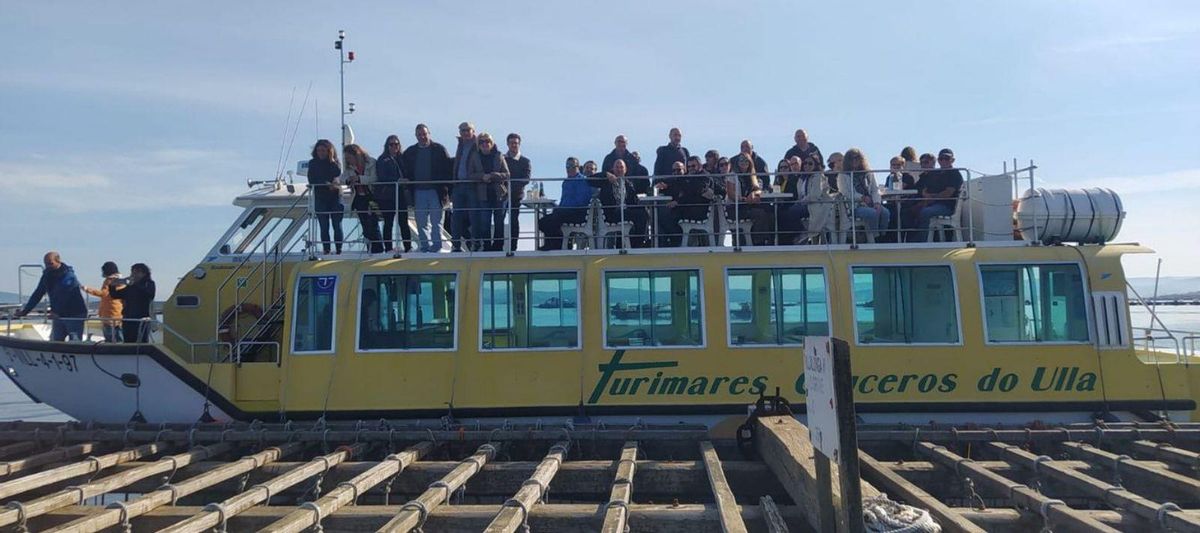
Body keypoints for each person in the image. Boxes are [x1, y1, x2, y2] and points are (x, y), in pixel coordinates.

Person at [13, 252, 88, 341]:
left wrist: (57, 312)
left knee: (75, 342)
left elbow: (64, 296)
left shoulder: (69, 276)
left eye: (50, 263)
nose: (48, 266)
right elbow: (38, 293)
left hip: (74, 314)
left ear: (58, 261)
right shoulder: (47, 275)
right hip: (59, 315)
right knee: (55, 340)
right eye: (46, 264)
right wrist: (25, 311)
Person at [402, 124, 452, 253]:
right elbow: (404, 168)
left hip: (436, 191)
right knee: (421, 222)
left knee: (437, 221)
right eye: (419, 134)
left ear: (429, 133)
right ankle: (424, 247)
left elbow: (448, 168)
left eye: (424, 134)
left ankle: (436, 247)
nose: (422, 137)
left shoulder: (439, 149)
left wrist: (447, 188)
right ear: (416, 136)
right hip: (418, 191)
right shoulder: (410, 152)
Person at [537, 157, 594, 250]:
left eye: (571, 166)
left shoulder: (582, 181)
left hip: (577, 213)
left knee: (552, 220)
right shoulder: (566, 182)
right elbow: (564, 200)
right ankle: (555, 244)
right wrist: (558, 207)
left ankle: (556, 245)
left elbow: (581, 201)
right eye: (567, 166)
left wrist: (563, 208)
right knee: (543, 222)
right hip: (565, 212)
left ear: (578, 167)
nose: (568, 168)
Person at [910, 148, 964, 242]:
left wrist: (931, 197)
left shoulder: (955, 174)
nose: (943, 161)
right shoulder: (936, 174)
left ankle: (922, 241)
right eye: (941, 159)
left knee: (925, 212)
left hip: (947, 206)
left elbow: (947, 194)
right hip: (933, 203)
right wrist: (925, 197)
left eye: (946, 158)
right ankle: (906, 238)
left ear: (952, 160)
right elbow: (926, 190)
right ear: (938, 160)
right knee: (910, 210)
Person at [592, 159, 649, 248]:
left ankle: (637, 242)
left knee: (643, 212)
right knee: (641, 214)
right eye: (617, 167)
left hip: (624, 212)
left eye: (621, 167)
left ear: (625, 170)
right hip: (611, 213)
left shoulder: (628, 184)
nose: (619, 169)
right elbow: (590, 180)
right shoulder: (606, 181)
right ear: (613, 169)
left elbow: (633, 201)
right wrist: (605, 174)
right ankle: (639, 244)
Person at [468, 132, 510, 251]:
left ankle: (498, 246)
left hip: (499, 194)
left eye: (487, 141)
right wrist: (482, 177)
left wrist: (494, 175)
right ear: (478, 144)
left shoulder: (499, 155)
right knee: (485, 222)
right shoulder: (475, 156)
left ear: (492, 143)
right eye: (482, 142)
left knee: (499, 222)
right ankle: (486, 246)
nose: (485, 144)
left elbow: (507, 174)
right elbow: (470, 175)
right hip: (483, 194)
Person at [838, 148, 890, 240]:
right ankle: (875, 237)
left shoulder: (868, 174)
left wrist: (877, 203)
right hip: (855, 206)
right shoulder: (843, 175)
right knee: (872, 213)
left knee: (885, 213)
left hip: (871, 202)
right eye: (851, 158)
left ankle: (883, 235)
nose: (854, 160)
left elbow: (875, 189)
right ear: (847, 161)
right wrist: (861, 198)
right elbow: (846, 192)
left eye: (857, 158)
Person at [343, 144, 384, 254]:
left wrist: (359, 179)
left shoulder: (372, 162)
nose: (348, 160)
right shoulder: (349, 168)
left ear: (356, 154)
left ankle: (379, 250)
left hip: (371, 197)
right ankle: (369, 249)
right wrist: (348, 180)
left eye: (349, 157)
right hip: (359, 198)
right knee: (365, 225)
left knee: (373, 223)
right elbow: (343, 178)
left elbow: (374, 178)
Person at [375, 135, 412, 253]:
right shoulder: (382, 159)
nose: (394, 147)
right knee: (388, 222)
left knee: (403, 221)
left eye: (396, 144)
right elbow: (382, 176)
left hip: (401, 194)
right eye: (391, 144)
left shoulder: (402, 158)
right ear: (387, 146)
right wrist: (396, 181)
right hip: (388, 195)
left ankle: (408, 247)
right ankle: (389, 248)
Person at [724, 156, 773, 246]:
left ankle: (770, 239)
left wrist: (754, 194)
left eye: (746, 160)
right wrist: (744, 199)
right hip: (735, 207)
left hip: (749, 205)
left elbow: (758, 189)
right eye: (741, 160)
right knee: (759, 214)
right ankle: (758, 242)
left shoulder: (753, 176)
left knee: (769, 210)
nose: (744, 162)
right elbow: (731, 194)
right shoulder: (732, 175)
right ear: (737, 163)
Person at [306, 139, 344, 255]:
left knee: (337, 224)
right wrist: (326, 184)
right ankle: (326, 249)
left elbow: (337, 174)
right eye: (318, 150)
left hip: (335, 196)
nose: (320, 153)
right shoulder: (313, 163)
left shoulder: (335, 162)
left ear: (329, 151)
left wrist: (332, 160)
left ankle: (339, 249)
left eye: (323, 150)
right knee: (324, 225)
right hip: (321, 197)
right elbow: (312, 179)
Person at [450, 122, 479, 252]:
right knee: (456, 216)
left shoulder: (479, 143)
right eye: (462, 130)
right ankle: (455, 245)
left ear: (473, 131)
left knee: (474, 215)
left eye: (468, 130)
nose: (465, 133)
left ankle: (475, 243)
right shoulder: (460, 144)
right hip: (459, 185)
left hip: (473, 185)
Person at [109, 263, 156, 343]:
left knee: (141, 342)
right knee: (128, 341)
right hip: (128, 318)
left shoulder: (149, 283)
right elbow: (115, 295)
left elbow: (149, 294)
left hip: (142, 318)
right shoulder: (130, 287)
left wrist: (135, 284)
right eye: (132, 273)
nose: (133, 275)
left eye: (136, 272)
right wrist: (112, 286)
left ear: (143, 273)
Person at [82, 261, 125, 342]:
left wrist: (88, 289)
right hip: (115, 313)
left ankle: (112, 351)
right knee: (118, 337)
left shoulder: (111, 281)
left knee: (111, 337)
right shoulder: (119, 281)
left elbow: (104, 294)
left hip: (111, 314)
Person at [503, 133, 531, 252]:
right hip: (503, 194)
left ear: (519, 144)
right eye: (511, 143)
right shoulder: (502, 159)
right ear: (508, 144)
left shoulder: (525, 161)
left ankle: (513, 246)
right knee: (499, 218)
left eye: (516, 143)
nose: (514, 145)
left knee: (514, 219)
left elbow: (526, 179)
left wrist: (511, 184)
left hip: (516, 195)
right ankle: (497, 245)